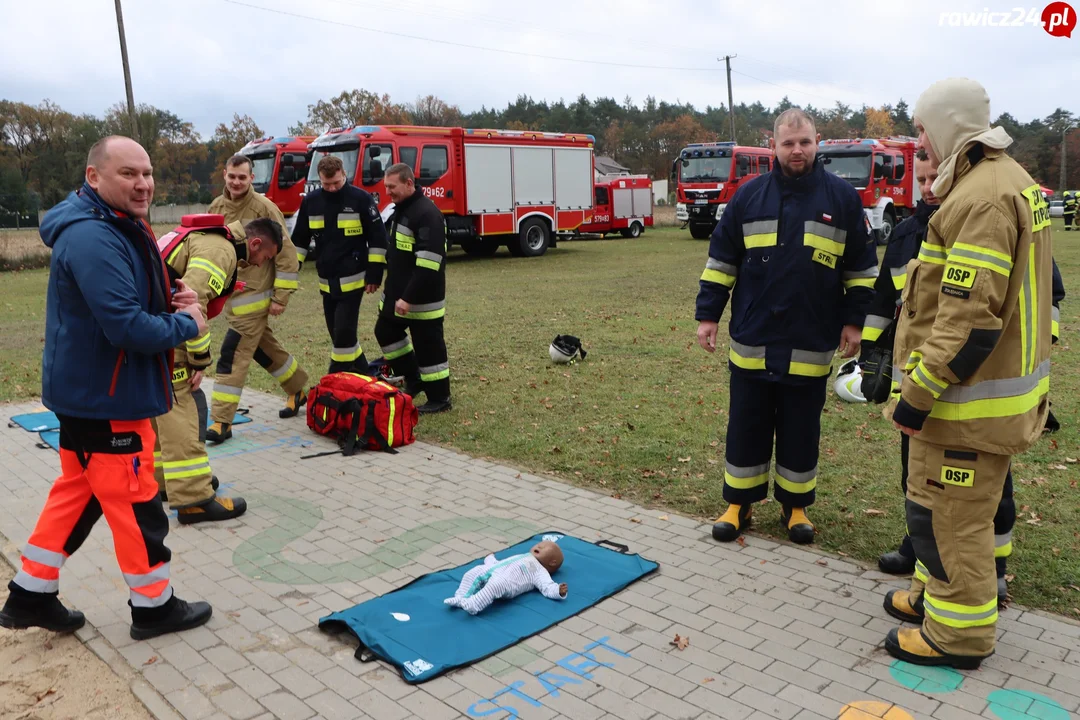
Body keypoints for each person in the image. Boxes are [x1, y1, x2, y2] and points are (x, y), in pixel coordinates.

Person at [0, 136, 213, 640]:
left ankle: (30, 594)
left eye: (147, 172)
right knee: (137, 505)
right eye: (128, 174)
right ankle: (155, 607)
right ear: (94, 178)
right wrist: (190, 325)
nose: (143, 184)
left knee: (79, 493)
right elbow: (127, 327)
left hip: (90, 393)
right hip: (110, 398)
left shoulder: (110, 222)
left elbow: (128, 297)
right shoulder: (93, 236)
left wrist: (170, 296)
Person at [881, 78, 1053, 669]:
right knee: (931, 506)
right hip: (965, 401)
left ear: (950, 125)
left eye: (923, 126)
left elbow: (968, 321)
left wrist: (916, 394)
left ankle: (957, 636)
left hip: (963, 402)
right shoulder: (1003, 181)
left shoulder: (980, 197)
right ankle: (935, 598)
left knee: (955, 521)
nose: (917, 138)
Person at [696, 109, 878, 545]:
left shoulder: (843, 200)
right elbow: (722, 260)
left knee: (801, 427)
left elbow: (861, 270)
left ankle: (795, 507)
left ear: (818, 143)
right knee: (747, 422)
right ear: (773, 145)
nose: (797, 150)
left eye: (805, 142)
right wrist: (708, 314)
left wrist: (855, 323)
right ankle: (738, 503)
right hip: (753, 336)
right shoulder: (748, 196)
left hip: (810, 338)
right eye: (788, 143)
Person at [154, 216, 283, 523]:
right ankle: (194, 498)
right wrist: (198, 360)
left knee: (162, 411)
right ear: (254, 243)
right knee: (185, 413)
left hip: (152, 331)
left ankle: (163, 483)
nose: (261, 264)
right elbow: (190, 305)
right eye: (265, 257)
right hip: (167, 337)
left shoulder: (208, 239)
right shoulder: (221, 251)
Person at [206, 155, 309, 443]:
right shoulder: (216, 207)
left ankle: (221, 421)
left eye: (242, 177)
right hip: (230, 295)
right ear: (225, 175)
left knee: (233, 353)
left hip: (256, 297)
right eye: (232, 176)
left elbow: (286, 253)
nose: (236, 182)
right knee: (263, 349)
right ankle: (297, 387)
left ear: (252, 178)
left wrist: (281, 297)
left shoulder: (265, 208)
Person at [291, 155, 387, 373]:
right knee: (340, 336)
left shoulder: (361, 199)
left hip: (354, 281)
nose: (332, 188)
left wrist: (374, 275)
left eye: (336, 182)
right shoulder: (311, 201)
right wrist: (291, 271)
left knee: (343, 335)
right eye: (326, 184)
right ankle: (366, 376)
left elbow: (378, 239)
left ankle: (332, 381)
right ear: (320, 179)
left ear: (344, 174)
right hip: (326, 282)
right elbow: (300, 240)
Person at [375, 163, 452, 414]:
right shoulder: (402, 209)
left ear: (409, 183)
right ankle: (414, 378)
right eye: (386, 186)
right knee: (385, 331)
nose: (388, 192)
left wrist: (408, 298)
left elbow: (429, 265)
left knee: (429, 348)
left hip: (422, 299)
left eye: (392, 186)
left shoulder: (427, 214)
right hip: (398, 295)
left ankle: (440, 399)